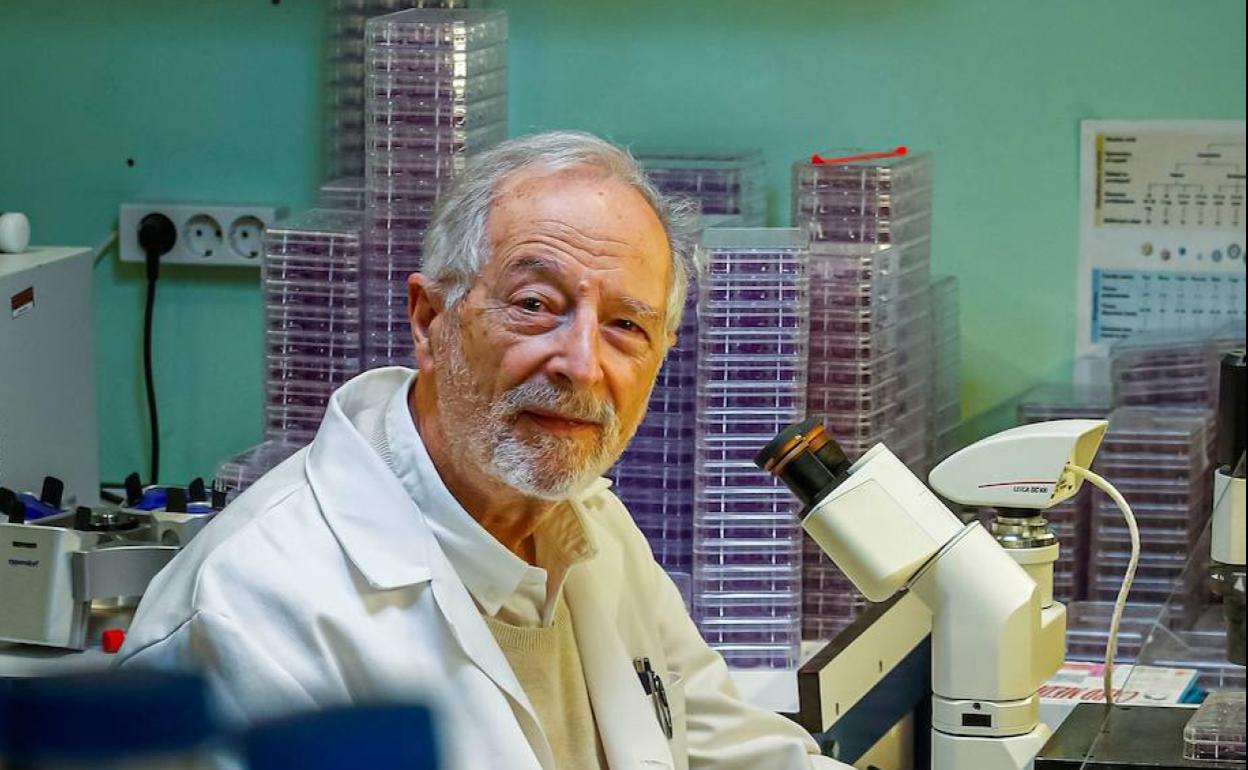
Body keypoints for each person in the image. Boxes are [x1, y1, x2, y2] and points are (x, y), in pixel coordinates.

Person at [117, 131, 850, 770]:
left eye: (626, 326)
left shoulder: (588, 524)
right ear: (431, 317)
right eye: (535, 305)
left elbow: (741, 754)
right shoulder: (250, 610)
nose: (580, 363)